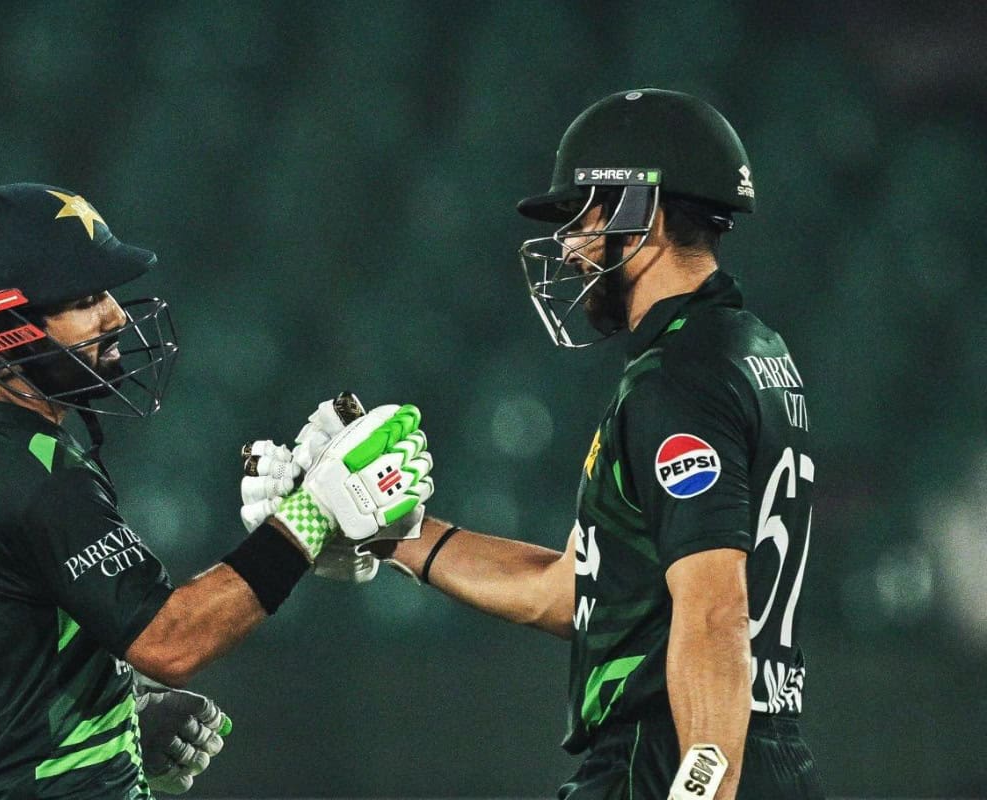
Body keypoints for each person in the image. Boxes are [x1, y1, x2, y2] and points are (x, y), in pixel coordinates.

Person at [254, 88, 823, 799]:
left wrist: (703, 780)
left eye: (583, 213)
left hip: (667, 754)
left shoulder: (677, 378)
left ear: (636, 211)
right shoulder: (751, 350)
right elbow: (570, 593)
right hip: (766, 753)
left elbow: (713, 607)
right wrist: (392, 534)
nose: (572, 245)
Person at [0, 183, 434, 799]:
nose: (116, 316)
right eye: (83, 299)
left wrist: (99, 716)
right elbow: (171, 641)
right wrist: (312, 515)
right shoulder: (39, 480)